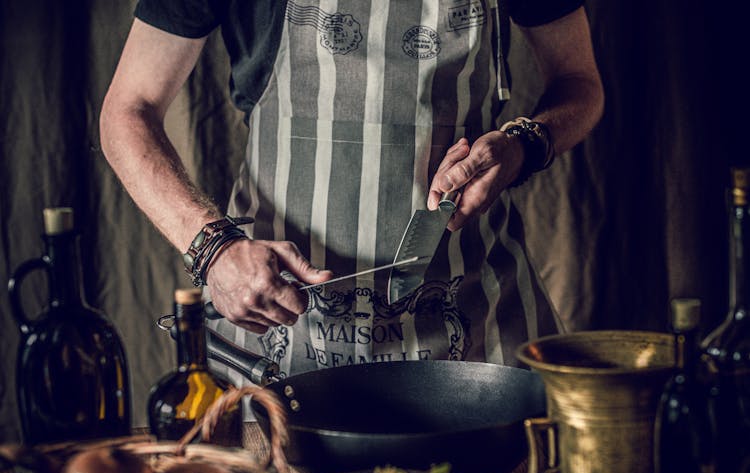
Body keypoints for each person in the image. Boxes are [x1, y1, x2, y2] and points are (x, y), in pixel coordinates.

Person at [100, 0, 604, 380]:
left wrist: (523, 144)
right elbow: (129, 109)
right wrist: (214, 249)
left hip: (477, 337)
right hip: (281, 349)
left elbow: (580, 82)